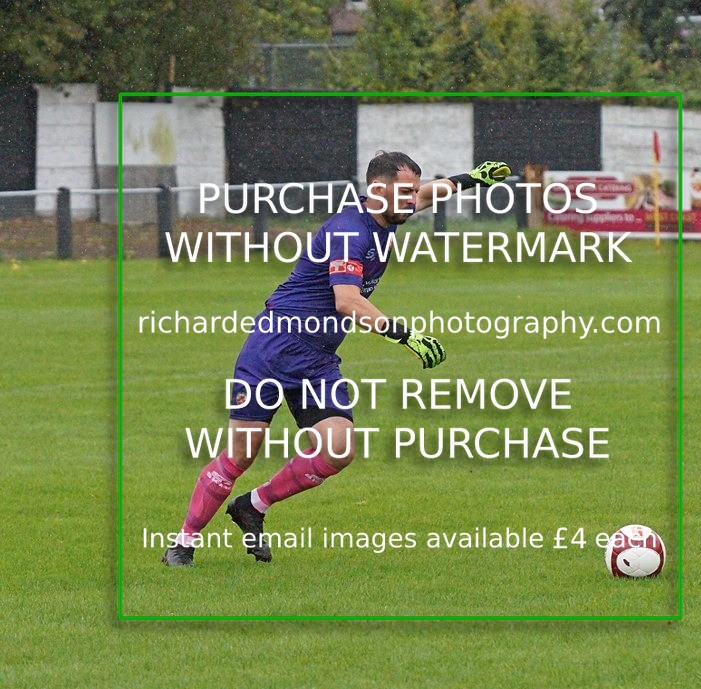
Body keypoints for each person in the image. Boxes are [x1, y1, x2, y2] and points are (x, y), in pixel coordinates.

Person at [163, 151, 511, 566]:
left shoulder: (389, 209)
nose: (411, 200)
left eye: (412, 193)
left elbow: (428, 194)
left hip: (318, 359)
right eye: (404, 192)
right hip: (272, 350)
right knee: (240, 454)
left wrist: (471, 179)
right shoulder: (351, 232)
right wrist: (405, 335)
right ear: (376, 190)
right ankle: (182, 544)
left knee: (338, 448)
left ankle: (253, 505)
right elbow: (347, 302)